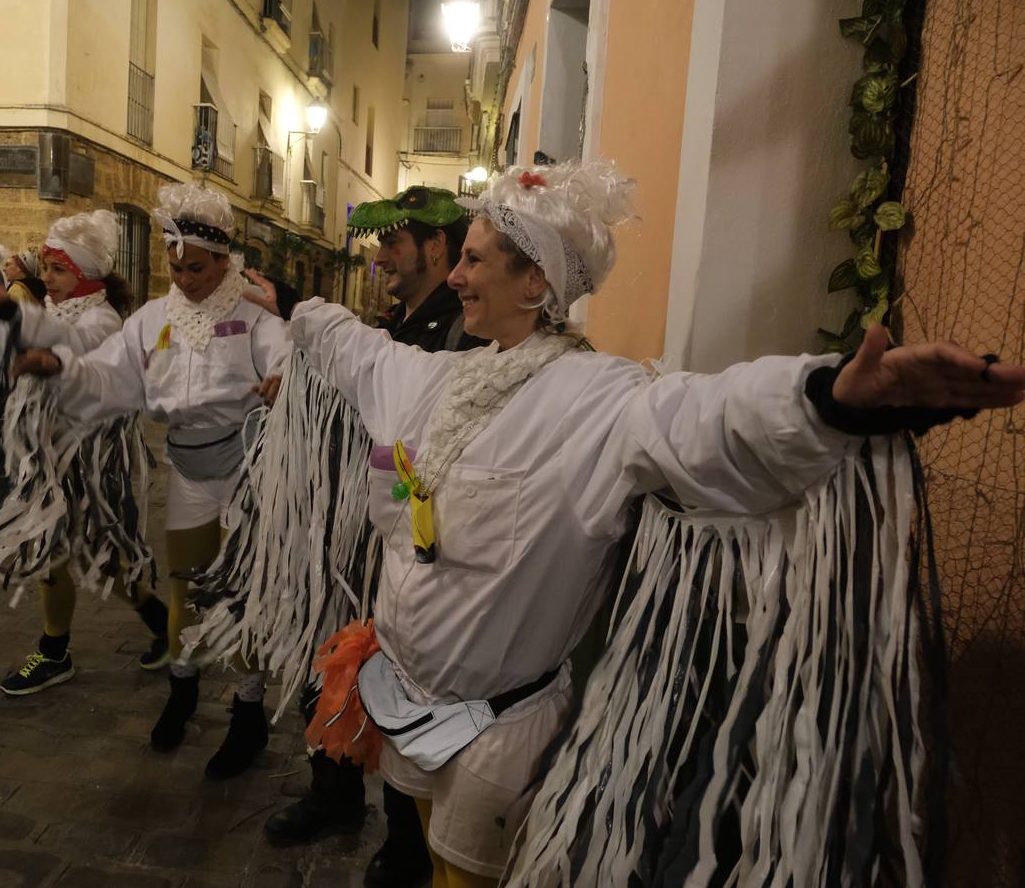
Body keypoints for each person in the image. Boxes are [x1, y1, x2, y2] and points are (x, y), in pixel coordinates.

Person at [264, 159, 1025, 886]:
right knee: (429, 854)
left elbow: (709, 416)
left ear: (537, 282)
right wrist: (296, 309)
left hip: (499, 734)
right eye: (460, 258)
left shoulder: (600, 400)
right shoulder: (437, 378)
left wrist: (826, 397)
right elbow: (354, 352)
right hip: (407, 704)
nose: (455, 276)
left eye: (475, 260)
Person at [10, 182, 291, 780]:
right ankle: (183, 690)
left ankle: (247, 711)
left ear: (224, 259)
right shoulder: (154, 318)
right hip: (188, 467)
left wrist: (282, 382)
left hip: (247, 468)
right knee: (186, 584)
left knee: (243, 589)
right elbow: (113, 374)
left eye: (197, 267)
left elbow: (289, 360)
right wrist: (60, 367)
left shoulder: (253, 313)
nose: (184, 277)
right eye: (175, 265)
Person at [262, 186, 486, 888]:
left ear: (436, 248)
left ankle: (404, 840)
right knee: (338, 660)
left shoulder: (462, 333)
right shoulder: (404, 318)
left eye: (393, 243)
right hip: (361, 527)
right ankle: (334, 797)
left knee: (399, 683)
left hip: (415, 542)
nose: (380, 257)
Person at [0, 209, 169, 686]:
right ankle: (62, 646)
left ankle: (145, 628)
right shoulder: (60, 308)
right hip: (49, 449)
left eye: (58, 269)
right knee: (53, 547)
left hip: (87, 454)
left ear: (85, 273)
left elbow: (65, 344)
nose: (47, 277)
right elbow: (17, 346)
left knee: (94, 551)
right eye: (48, 267)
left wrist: (8, 311)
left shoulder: (101, 319)